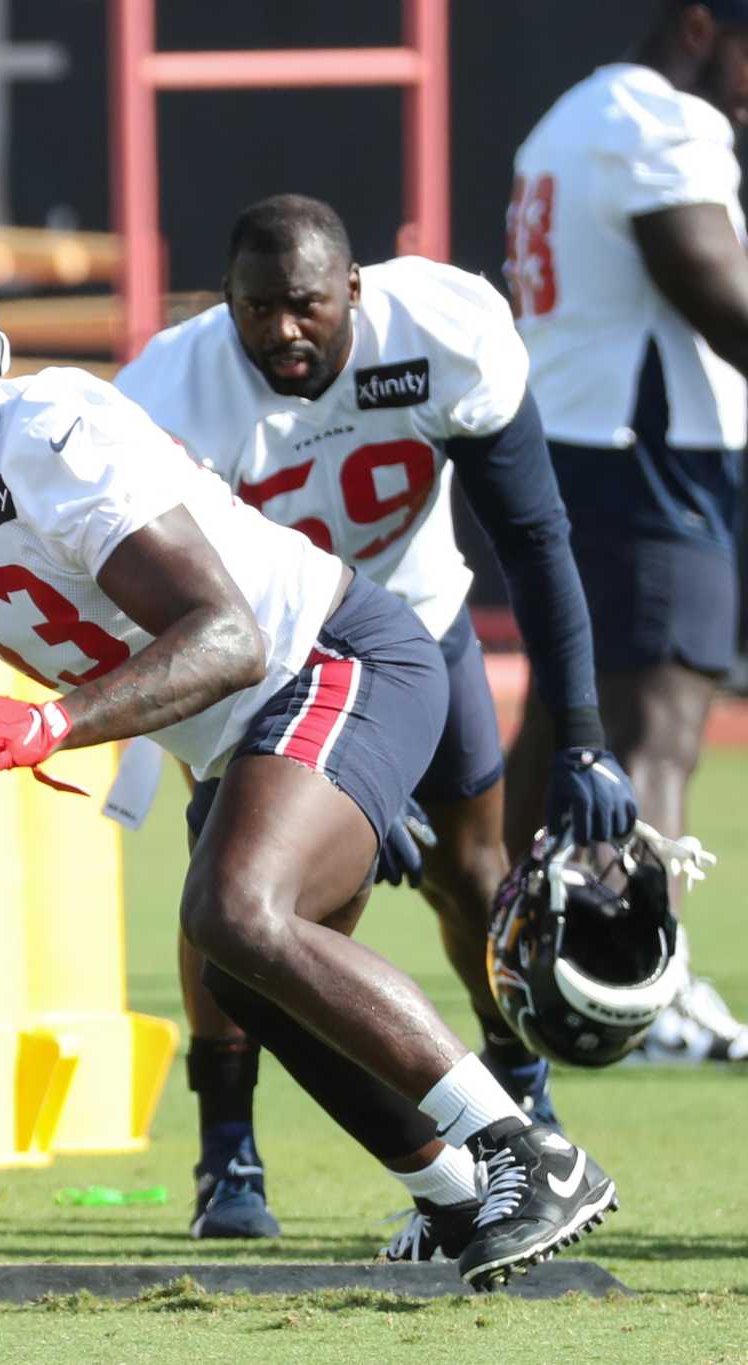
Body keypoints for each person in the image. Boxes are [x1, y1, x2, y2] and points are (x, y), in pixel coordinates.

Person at [0, 231, 618, 1290]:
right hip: (241, 721)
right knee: (241, 975)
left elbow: (227, 635)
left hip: (333, 657)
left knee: (233, 909)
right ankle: (453, 1192)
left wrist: (55, 724)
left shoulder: (49, 432)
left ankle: (523, 1153)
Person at [114, 195, 637, 1247]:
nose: (280, 332)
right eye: (255, 310)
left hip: (416, 626)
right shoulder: (170, 393)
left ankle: (519, 1102)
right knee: (229, 896)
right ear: (224, 305)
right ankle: (227, 1154)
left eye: (303, 305)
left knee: (470, 869)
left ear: (352, 287)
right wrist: (343, 758)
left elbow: (532, 537)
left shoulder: (441, 328)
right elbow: (179, 614)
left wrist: (578, 728)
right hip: (255, 663)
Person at [507, 0, 748, 1065]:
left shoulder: (568, 114)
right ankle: (637, 981)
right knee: (656, 725)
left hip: (568, 442)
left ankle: (527, 953)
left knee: (564, 719)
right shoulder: (661, 120)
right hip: (645, 452)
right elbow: (708, 280)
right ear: (698, 25)